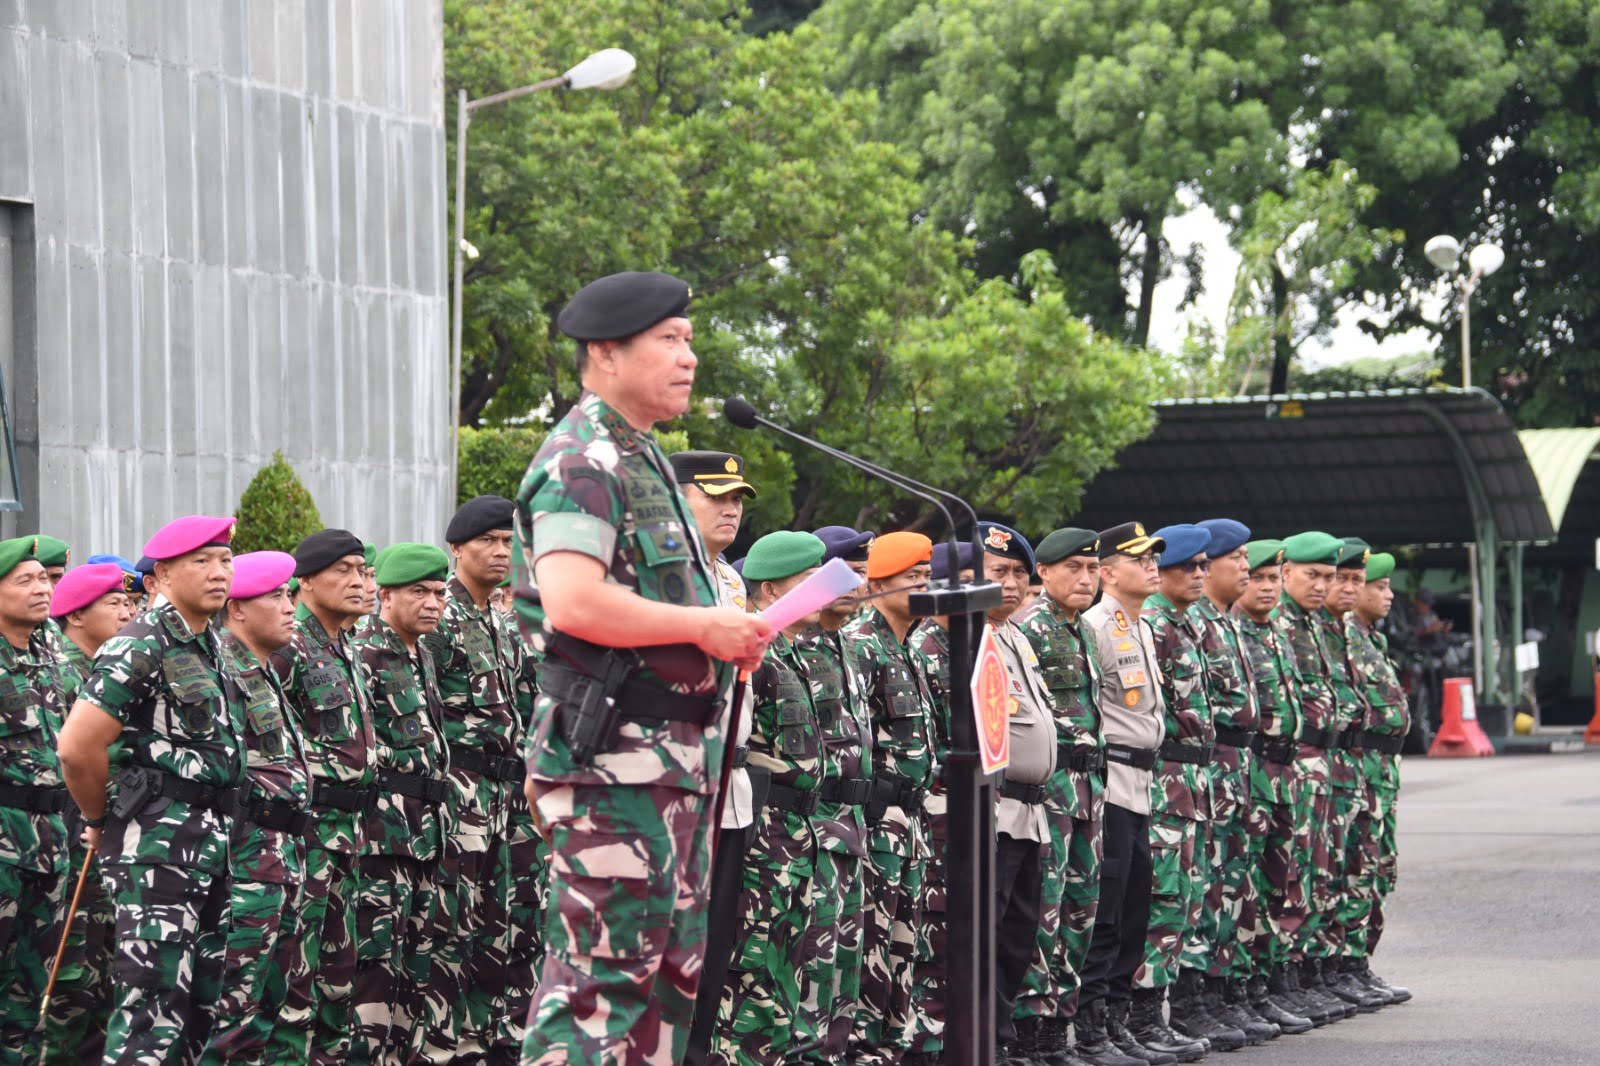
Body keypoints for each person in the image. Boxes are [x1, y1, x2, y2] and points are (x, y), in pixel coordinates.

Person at [513, 270, 769, 1065]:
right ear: (606, 352)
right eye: (669, 339)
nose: (689, 355)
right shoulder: (581, 460)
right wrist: (705, 626)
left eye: (688, 339)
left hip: (672, 767)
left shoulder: (643, 456)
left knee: (664, 985)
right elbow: (573, 601)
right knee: (598, 987)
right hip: (612, 769)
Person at [57, 516, 246, 1065]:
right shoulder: (141, 642)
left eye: (225, 560)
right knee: (151, 1009)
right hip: (157, 847)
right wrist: (98, 817)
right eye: (202, 561)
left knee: (202, 1004)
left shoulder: (210, 642)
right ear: (161, 573)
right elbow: (77, 746)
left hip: (212, 844)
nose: (219, 572)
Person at [714, 531, 829, 1064]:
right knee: (751, 959)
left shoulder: (801, 653)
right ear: (769, 590)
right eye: (808, 582)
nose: (822, 592)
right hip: (763, 827)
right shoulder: (755, 651)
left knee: (789, 956)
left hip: (800, 833)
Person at [421, 495, 525, 1064]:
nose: (501, 551)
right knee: (451, 924)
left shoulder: (498, 619)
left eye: (507, 542)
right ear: (457, 549)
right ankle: (444, 1040)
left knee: (498, 922)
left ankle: (485, 1035)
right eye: (487, 541)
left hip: (505, 796)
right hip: (461, 791)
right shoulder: (441, 617)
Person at [203, 551, 316, 1064]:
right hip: (242, 866)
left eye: (290, 594)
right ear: (238, 608)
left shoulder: (263, 670)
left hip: (279, 860)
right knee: (229, 1015)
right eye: (276, 595)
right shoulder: (222, 669)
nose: (291, 606)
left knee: (267, 1009)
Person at [272, 528, 378, 1064]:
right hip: (307, 836)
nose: (359, 582)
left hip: (348, 836)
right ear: (306, 581)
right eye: (344, 571)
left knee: (338, 975)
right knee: (295, 972)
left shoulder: (346, 646)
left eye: (363, 571)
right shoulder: (287, 647)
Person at [671, 451, 760, 1066]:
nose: (732, 508)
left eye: (739, 500)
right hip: (666, 781)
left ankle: (696, 1050)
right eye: (718, 495)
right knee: (659, 937)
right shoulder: (650, 571)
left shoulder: (730, 580)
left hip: (727, 779)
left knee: (714, 933)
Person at [348, 544, 453, 1063]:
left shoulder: (423, 653)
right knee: (374, 970)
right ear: (384, 595)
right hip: (382, 839)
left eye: (439, 592)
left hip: (423, 837)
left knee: (415, 968)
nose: (433, 603)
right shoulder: (363, 652)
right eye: (419, 592)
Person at [843, 531, 938, 1064]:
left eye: (927, 575)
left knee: (905, 945)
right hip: (878, 821)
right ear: (876, 584)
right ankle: (863, 1051)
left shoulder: (908, 647)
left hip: (912, 821)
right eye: (911, 577)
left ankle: (890, 1048)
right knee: (870, 947)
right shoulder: (862, 645)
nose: (923, 585)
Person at [1014, 528, 1107, 1066]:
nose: (1085, 579)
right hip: (1049, 790)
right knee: (1043, 913)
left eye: (1092, 569)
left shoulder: (1080, 632)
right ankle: (1030, 1030)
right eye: (1073, 568)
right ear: (1043, 573)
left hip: (1087, 788)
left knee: (1080, 910)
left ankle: (1059, 1026)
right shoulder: (1031, 628)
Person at [1135, 525, 1226, 1060]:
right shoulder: (1154, 625)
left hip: (1191, 780)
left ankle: (1160, 1013)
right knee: (1163, 901)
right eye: (1185, 567)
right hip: (1165, 778)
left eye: (1201, 566)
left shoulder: (1184, 625)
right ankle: (1144, 1017)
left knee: (1187, 901)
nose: (1197, 574)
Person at [1077, 522, 1166, 1066]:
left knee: (1135, 908)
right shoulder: (1096, 626)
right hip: (1111, 783)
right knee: (1107, 912)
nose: (1153, 564)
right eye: (1140, 558)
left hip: (1141, 786)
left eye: (1155, 556)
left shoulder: (1141, 626)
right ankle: (1092, 1030)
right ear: (1108, 573)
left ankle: (1116, 1020)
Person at [1188, 519, 1279, 1043]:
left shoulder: (1225, 621)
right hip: (1205, 770)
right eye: (1236, 558)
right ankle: (1192, 1000)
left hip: (1236, 770)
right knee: (1203, 888)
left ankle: (1222, 992)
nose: (1246, 568)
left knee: (1233, 886)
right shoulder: (1193, 621)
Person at [43, 563, 137, 1064]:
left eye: (129, 603)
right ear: (76, 615)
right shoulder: (62, 673)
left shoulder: (112, 668)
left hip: (112, 838)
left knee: (105, 974)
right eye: (115, 604)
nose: (129, 613)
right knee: (71, 979)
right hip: (71, 838)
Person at [975, 523, 1061, 1066]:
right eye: (998, 573)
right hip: (995, 810)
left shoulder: (1015, 636)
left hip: (1031, 811)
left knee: (1018, 935)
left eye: (1017, 575)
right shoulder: (966, 636)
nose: (1010, 585)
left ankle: (1001, 1035)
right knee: (986, 933)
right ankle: (981, 1040)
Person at [794, 525, 876, 1061]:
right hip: (805, 830)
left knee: (846, 963)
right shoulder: (789, 650)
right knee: (805, 965)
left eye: (861, 571)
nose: (853, 582)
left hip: (851, 824)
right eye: (841, 571)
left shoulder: (845, 646)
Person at [1232, 541, 1321, 1029]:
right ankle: (1234, 990)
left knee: (1281, 883)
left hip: (1287, 773)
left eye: (1272, 578)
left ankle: (1263, 985)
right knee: (1245, 885)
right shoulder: (1235, 631)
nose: (1266, 587)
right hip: (1254, 772)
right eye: (1258, 578)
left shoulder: (1275, 633)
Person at [0, 537, 73, 1066]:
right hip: (3, 839)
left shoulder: (50, 646)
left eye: (44, 579)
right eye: (24, 580)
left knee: (32, 986)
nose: (41, 588)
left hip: (51, 838)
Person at [1273, 531, 1351, 1025]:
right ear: (1286, 573)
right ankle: (1281, 980)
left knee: (1320, 872)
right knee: (1289, 877)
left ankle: (1307, 975)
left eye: (1329, 576)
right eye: (1313, 575)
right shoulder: (1277, 623)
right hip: (1292, 762)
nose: (1323, 585)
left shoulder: (1315, 625)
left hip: (1324, 765)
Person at [905, 539, 971, 1064]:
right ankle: (928, 1044)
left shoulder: (975, 642)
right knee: (929, 932)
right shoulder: (924, 646)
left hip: (965, 810)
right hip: (927, 813)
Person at [1317, 540, 1387, 1014]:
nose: (1349, 588)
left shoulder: (1356, 635)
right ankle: (1318, 971)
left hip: (1363, 767)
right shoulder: (1321, 631)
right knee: (1320, 875)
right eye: (1339, 579)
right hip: (1326, 765)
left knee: (1363, 871)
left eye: (1359, 581)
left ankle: (1349, 965)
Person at [1343, 552, 1412, 1006]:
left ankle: (1357, 965)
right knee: (1354, 870)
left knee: (1377, 871)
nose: (1387, 595)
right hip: (1361, 766)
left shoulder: (1372, 638)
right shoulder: (1346, 636)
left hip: (1382, 771)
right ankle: (1342, 967)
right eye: (1379, 586)